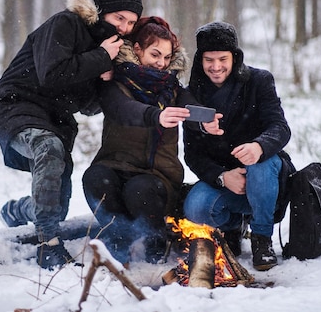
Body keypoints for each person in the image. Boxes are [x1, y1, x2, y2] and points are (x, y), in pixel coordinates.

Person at [0, 0, 143, 270]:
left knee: (55, 208)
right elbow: (52, 73)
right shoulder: (66, 24)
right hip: (17, 103)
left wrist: (106, 83)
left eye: (131, 23)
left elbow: (85, 106)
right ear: (103, 11)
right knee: (48, 148)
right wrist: (99, 58)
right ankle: (49, 246)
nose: (124, 28)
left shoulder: (107, 48)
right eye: (119, 18)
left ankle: (17, 211)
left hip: (54, 118)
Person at [82, 16, 222, 266]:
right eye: (155, 55)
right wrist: (156, 115)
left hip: (157, 177)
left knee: (140, 189)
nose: (161, 63)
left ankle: (156, 243)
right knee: (94, 178)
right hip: (115, 166)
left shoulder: (172, 89)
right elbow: (122, 108)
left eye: (167, 58)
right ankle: (119, 240)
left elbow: (191, 109)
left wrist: (205, 122)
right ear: (137, 49)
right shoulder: (115, 83)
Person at [182, 21, 293, 271]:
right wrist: (222, 177)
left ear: (235, 57)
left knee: (260, 166)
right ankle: (232, 227)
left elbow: (280, 127)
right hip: (227, 180)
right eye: (209, 59)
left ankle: (262, 238)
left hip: (266, 175)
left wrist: (259, 146)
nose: (216, 66)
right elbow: (192, 155)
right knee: (195, 206)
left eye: (222, 58)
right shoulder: (192, 95)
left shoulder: (259, 81)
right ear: (201, 60)